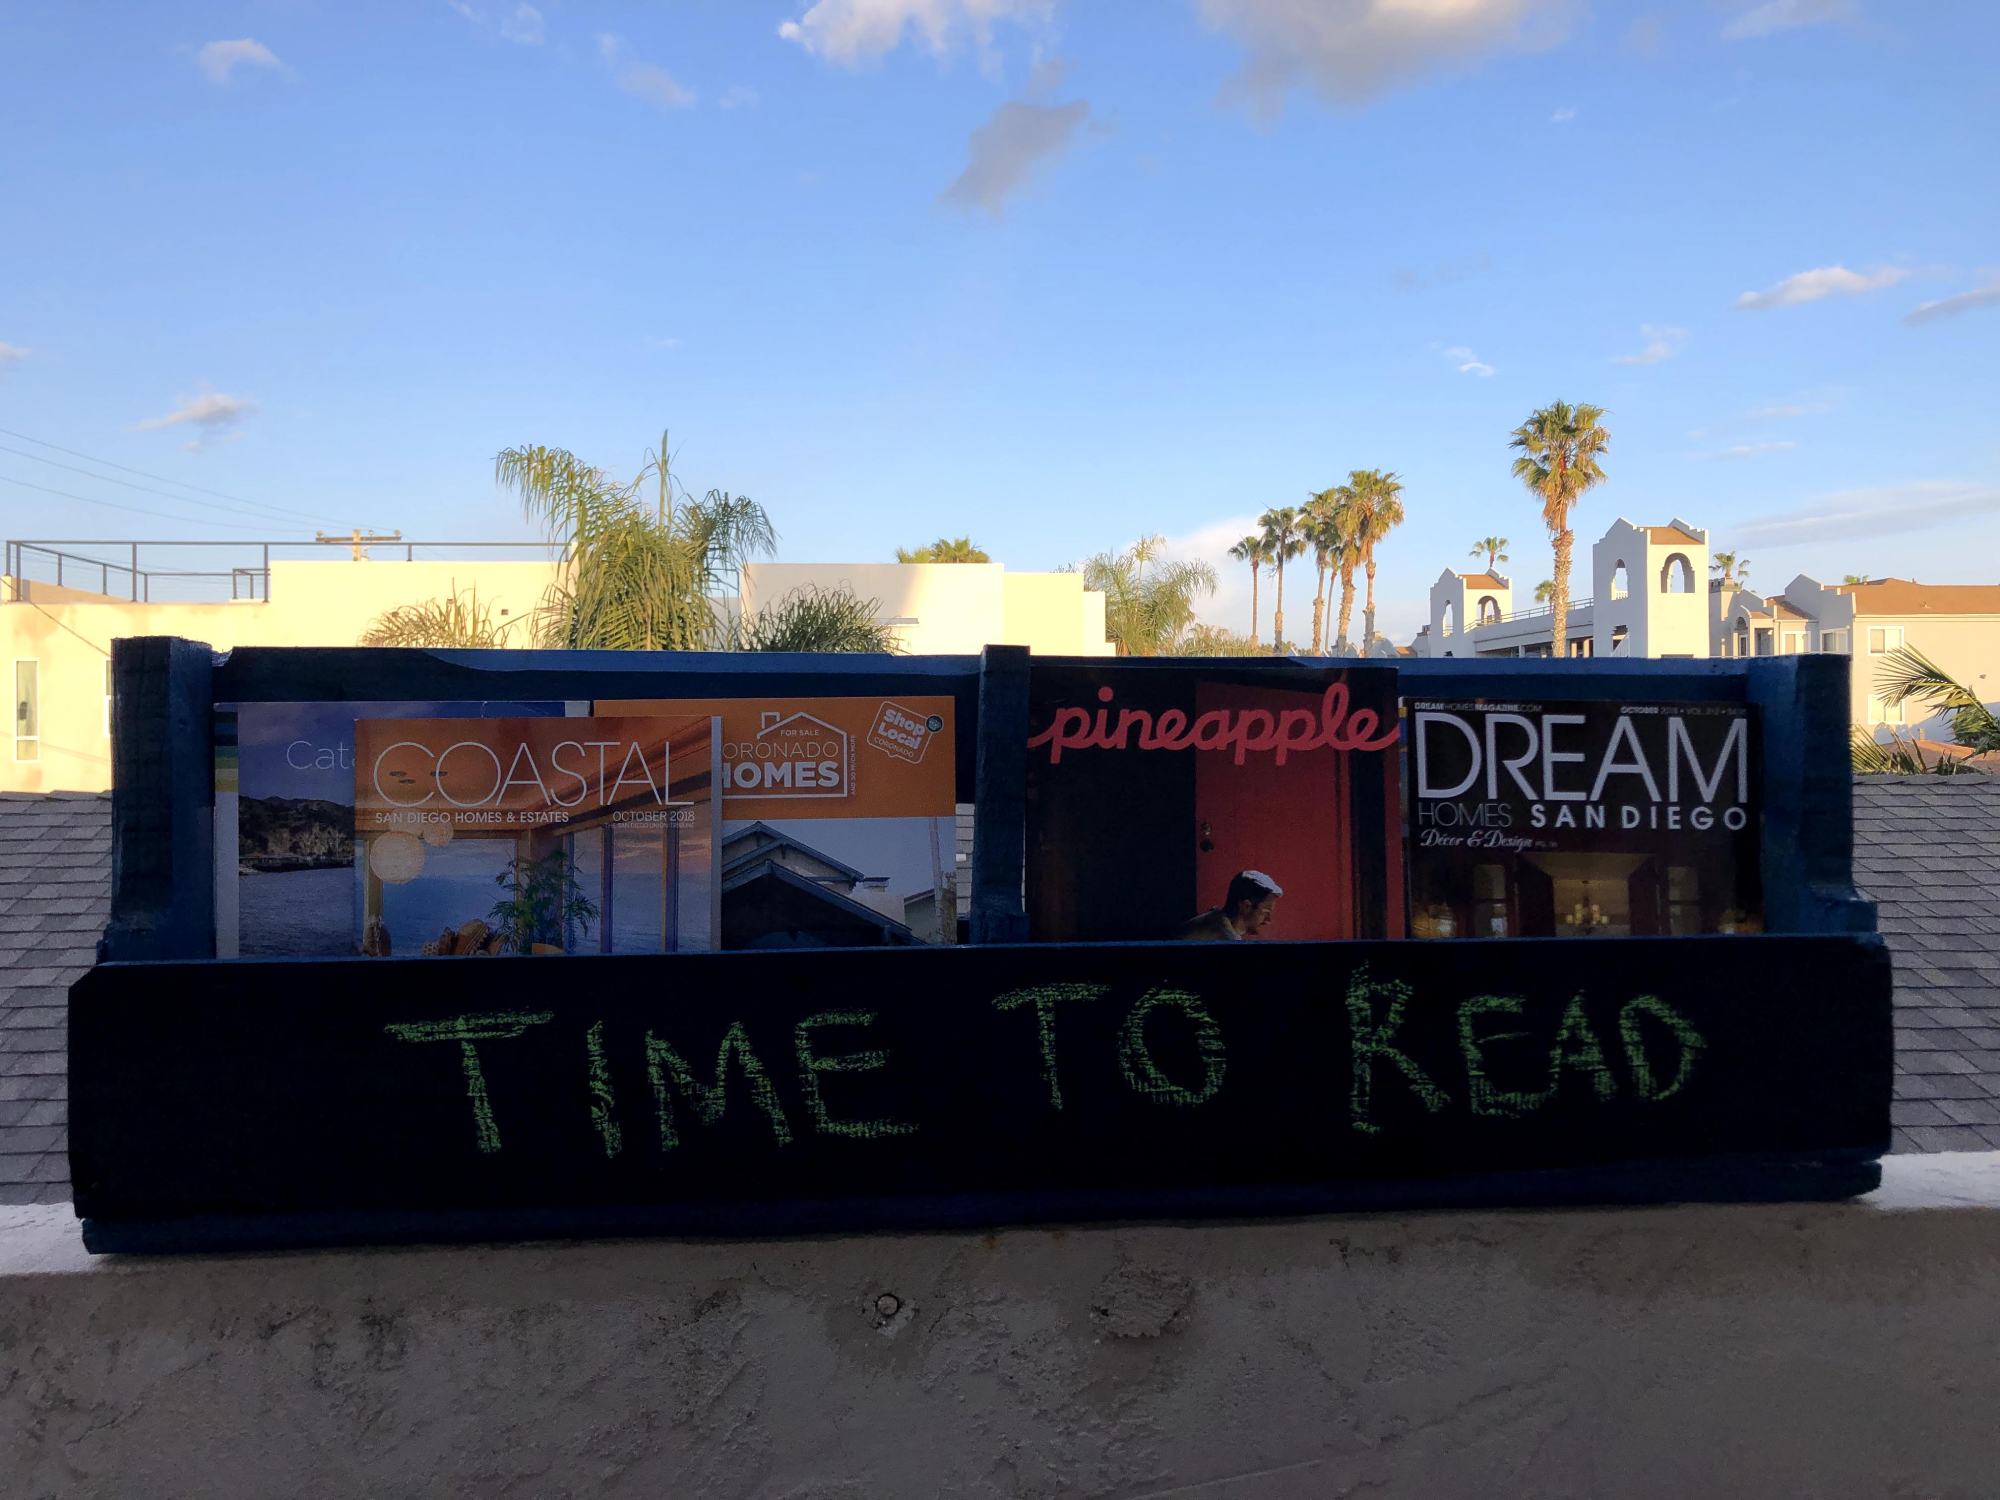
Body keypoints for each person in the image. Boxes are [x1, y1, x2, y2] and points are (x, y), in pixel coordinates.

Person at [1177, 870, 1283, 941]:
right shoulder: (1222, 939)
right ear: (1246, 906)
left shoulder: (1214, 921)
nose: (1268, 920)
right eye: (1266, 912)